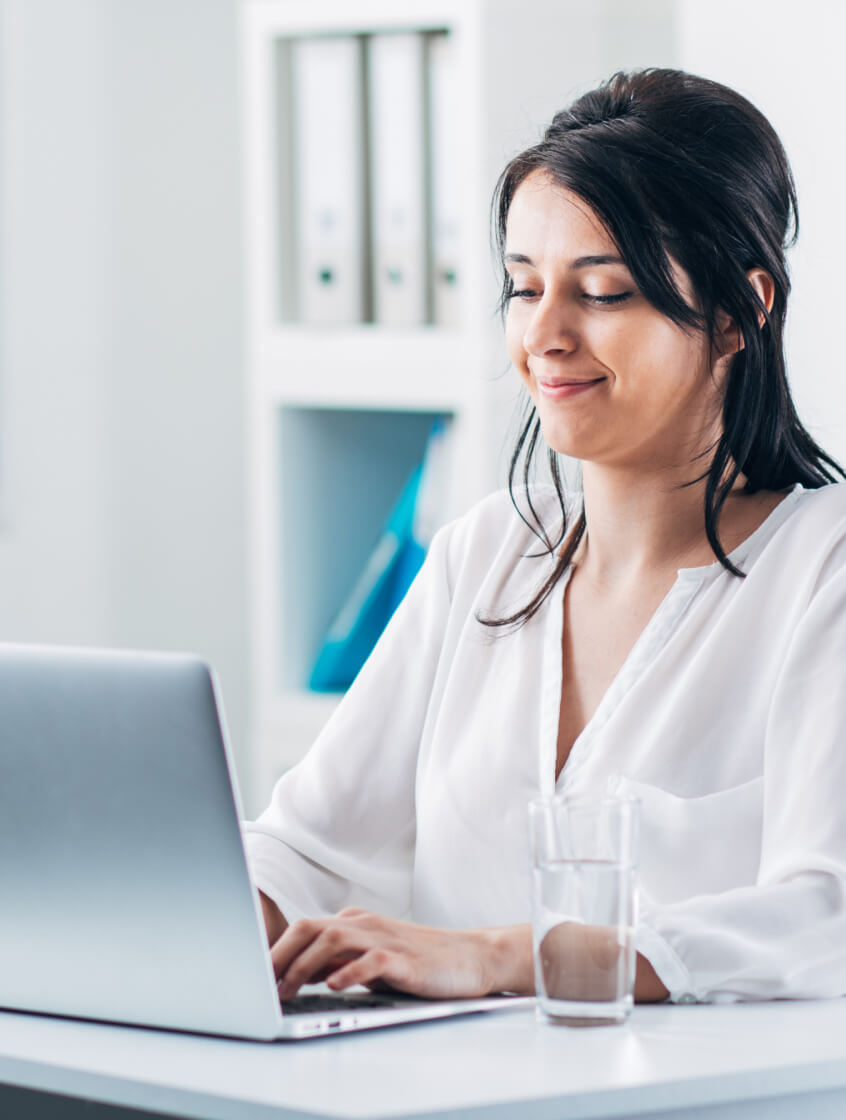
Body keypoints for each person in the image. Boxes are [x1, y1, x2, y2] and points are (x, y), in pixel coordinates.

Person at [243, 69, 846, 1006]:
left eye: (602, 292)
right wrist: (195, 922)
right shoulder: (482, 555)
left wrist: (502, 958)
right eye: (525, 289)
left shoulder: (823, 569)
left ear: (739, 311)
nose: (545, 336)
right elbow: (305, 846)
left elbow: (824, 921)